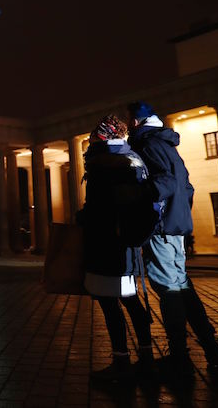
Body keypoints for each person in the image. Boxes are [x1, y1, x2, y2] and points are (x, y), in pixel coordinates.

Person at [126, 101, 218, 373]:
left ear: (137, 121)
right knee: (182, 286)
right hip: (174, 224)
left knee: (168, 288)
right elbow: (186, 185)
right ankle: (212, 349)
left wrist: (139, 196)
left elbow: (167, 182)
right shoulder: (164, 144)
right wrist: (179, 213)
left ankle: (179, 356)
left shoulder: (148, 145)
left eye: (130, 120)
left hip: (161, 228)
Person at [77, 115, 155, 381]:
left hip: (105, 243)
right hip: (129, 244)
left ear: (102, 137)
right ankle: (146, 353)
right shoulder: (134, 158)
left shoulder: (103, 162)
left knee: (110, 303)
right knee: (130, 299)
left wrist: (83, 218)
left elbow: (99, 208)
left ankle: (121, 360)